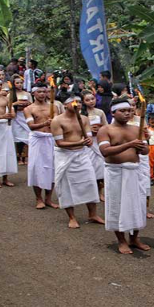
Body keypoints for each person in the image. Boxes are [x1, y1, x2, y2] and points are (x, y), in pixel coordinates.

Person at [97, 98, 151, 254]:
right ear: (113, 112)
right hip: (116, 172)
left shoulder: (136, 129)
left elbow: (145, 151)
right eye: (123, 111)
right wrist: (130, 144)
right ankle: (121, 240)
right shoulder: (105, 130)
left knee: (137, 205)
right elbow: (105, 151)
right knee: (117, 205)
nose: (127, 113)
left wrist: (142, 145)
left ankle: (134, 239)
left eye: (129, 110)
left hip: (134, 171)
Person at [51, 96, 104, 228]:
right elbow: (59, 143)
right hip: (65, 156)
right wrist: (79, 142)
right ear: (65, 104)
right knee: (66, 186)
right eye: (74, 102)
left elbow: (88, 137)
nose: (78, 104)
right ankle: (72, 217)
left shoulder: (84, 119)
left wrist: (88, 141)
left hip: (82, 155)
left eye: (80, 102)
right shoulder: (57, 121)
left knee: (90, 182)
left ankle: (92, 214)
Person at [24, 83, 59, 209]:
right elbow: (31, 126)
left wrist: (54, 123)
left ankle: (48, 198)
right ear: (33, 93)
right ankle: (38, 198)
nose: (42, 94)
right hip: (37, 139)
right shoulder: (29, 109)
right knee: (36, 168)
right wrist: (45, 123)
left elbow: (58, 123)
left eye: (44, 92)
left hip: (51, 138)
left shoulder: (54, 107)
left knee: (52, 168)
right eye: (39, 92)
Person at [83, 91, 107, 200]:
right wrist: (88, 131)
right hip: (87, 141)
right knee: (89, 167)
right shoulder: (81, 113)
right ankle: (89, 192)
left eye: (92, 99)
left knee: (100, 166)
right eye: (87, 100)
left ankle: (100, 192)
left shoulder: (100, 112)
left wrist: (99, 128)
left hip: (98, 140)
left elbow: (106, 126)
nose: (91, 101)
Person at [10, 75, 32, 165]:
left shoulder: (27, 94)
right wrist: (16, 103)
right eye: (17, 83)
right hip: (16, 116)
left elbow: (32, 104)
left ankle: (24, 157)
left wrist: (27, 104)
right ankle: (17, 157)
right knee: (17, 137)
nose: (19, 84)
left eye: (21, 83)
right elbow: (8, 105)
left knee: (26, 136)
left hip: (25, 115)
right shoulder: (10, 94)